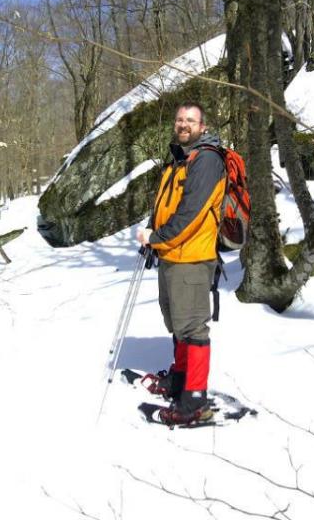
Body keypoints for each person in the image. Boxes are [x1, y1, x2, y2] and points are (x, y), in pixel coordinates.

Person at [136, 101, 226, 425]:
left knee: (193, 328)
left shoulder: (207, 162)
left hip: (192, 258)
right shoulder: (179, 159)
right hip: (172, 256)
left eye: (190, 120)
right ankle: (180, 380)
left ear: (203, 127)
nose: (183, 124)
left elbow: (190, 215)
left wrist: (157, 237)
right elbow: (164, 206)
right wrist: (154, 238)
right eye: (179, 119)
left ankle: (195, 403)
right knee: (177, 323)